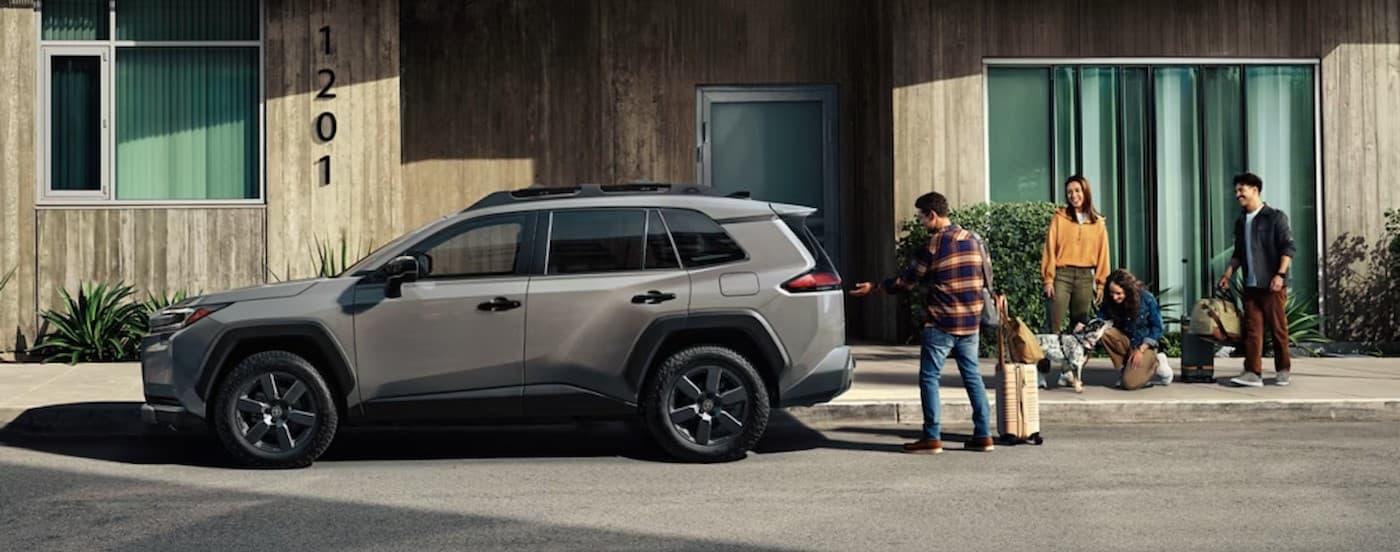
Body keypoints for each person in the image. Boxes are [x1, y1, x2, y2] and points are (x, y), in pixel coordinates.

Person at [850, 191, 994, 454]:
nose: (920, 224)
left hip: (942, 321)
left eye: (920, 218)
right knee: (973, 377)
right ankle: (984, 435)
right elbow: (987, 278)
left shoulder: (935, 244)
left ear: (933, 215)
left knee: (929, 378)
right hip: (971, 321)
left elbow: (907, 281)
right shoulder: (975, 239)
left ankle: (932, 437)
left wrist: (875, 287)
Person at [1216, 172, 1296, 387]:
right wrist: (1227, 274)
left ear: (1255, 190)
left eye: (1241, 190)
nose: (1237, 195)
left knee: (1278, 329)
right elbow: (1238, 253)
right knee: (1252, 331)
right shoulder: (1241, 222)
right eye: (1236, 191)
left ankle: (1283, 370)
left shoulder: (1275, 217)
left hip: (1272, 285)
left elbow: (1288, 247)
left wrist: (1280, 274)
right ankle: (1253, 372)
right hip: (1251, 286)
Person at [1078, 269, 1172, 389]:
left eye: (1118, 293)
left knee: (1129, 384)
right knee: (1105, 332)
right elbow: (1100, 321)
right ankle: (1125, 367)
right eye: (1112, 293)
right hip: (1126, 343)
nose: (1114, 297)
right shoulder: (1110, 301)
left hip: (1144, 345)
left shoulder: (1147, 299)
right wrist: (1085, 326)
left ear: (1128, 290)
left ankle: (1156, 362)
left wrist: (1141, 349)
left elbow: (1157, 328)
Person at [1041, 175, 1111, 334]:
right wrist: (1048, 279)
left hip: (1085, 277)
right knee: (1053, 322)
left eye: (1077, 191)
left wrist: (1101, 284)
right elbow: (1050, 249)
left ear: (1086, 191)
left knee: (1080, 325)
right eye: (1069, 192)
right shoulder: (1059, 218)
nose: (1073, 195)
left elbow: (1103, 255)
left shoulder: (1098, 223)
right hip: (1061, 276)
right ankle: (1046, 358)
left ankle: (1075, 359)